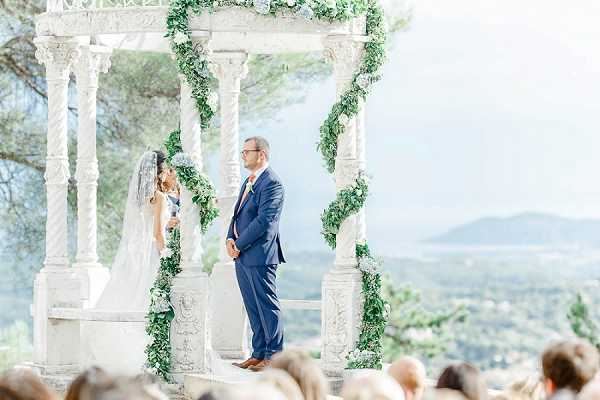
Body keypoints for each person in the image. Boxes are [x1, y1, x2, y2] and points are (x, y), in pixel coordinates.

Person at [227, 136, 286, 372]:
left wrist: (239, 244)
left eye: (246, 152)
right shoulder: (248, 181)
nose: (243, 156)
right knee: (252, 306)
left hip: (260, 255)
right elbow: (238, 215)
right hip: (241, 255)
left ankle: (274, 357)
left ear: (261, 154)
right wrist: (229, 239)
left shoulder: (272, 183)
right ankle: (258, 353)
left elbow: (265, 222)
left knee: (267, 305)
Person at [94, 150, 171, 310]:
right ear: (159, 172)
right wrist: (167, 258)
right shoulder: (159, 197)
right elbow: (158, 234)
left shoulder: (140, 199)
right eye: (166, 169)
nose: (167, 172)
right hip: (152, 253)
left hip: (137, 250)